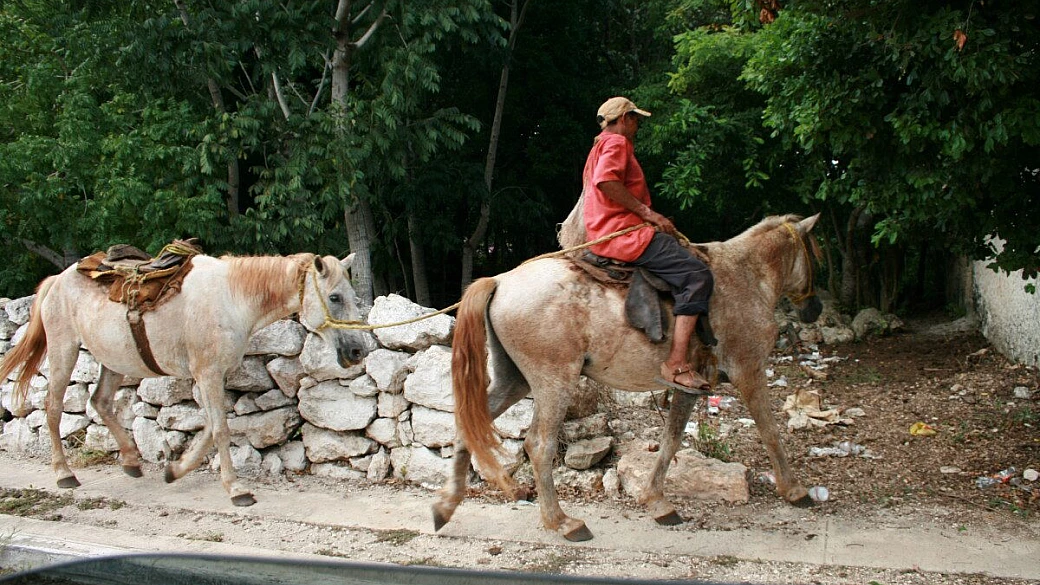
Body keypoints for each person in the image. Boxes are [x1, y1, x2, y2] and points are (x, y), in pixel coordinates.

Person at [582, 96, 714, 392]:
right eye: (636, 119)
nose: (638, 125)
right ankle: (677, 364)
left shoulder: (599, 146)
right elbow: (607, 182)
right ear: (624, 118)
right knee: (697, 275)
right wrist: (648, 214)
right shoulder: (617, 143)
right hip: (624, 233)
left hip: (606, 231)